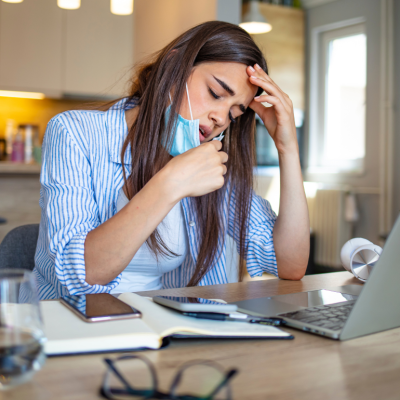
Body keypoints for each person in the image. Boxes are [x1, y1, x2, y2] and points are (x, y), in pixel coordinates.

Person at [33, 21, 310, 300]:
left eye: (234, 114)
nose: (221, 118)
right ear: (174, 65)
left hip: (162, 331)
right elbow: (79, 275)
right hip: (72, 327)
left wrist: (287, 148)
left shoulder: (213, 162)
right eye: (215, 93)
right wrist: (171, 182)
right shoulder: (74, 132)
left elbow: (290, 263)